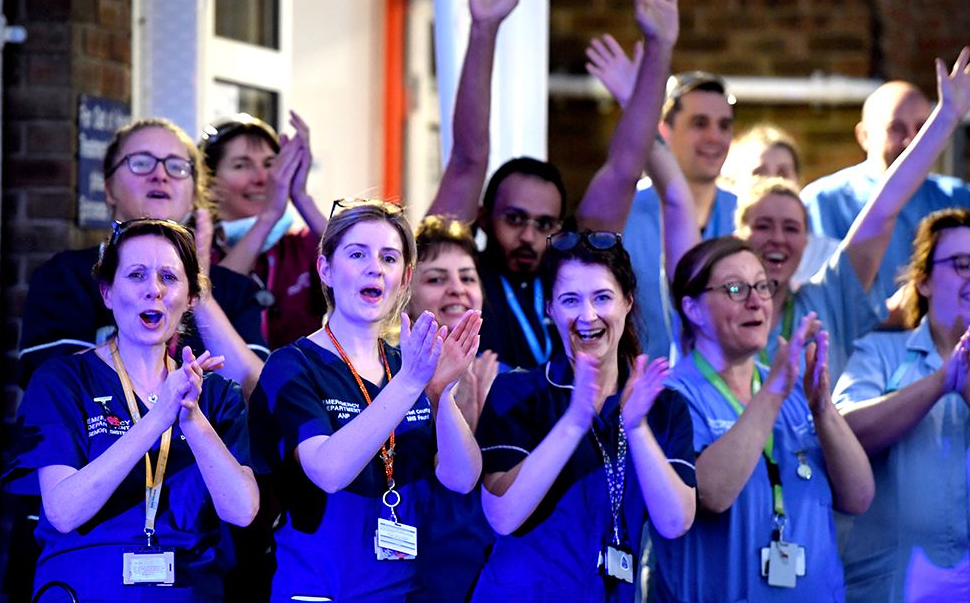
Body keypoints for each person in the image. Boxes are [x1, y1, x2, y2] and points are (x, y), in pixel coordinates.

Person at [651, 48, 970, 381]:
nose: (778, 238)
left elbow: (884, 210)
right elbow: (674, 203)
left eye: (791, 228)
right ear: (736, 237)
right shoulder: (709, 300)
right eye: (762, 225)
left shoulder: (827, 298)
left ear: (806, 242)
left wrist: (947, 116)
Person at [428, 0, 677, 369]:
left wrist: (660, 47)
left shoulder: (571, 273)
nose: (529, 235)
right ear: (486, 217)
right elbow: (468, 158)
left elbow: (626, 167)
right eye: (515, 219)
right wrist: (484, 30)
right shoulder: (462, 274)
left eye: (545, 224)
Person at [2, 218, 259, 602]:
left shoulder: (217, 395)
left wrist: (191, 417)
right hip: (84, 588)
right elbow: (63, 511)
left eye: (169, 278)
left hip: (188, 589)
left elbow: (241, 511)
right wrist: (159, 417)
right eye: (136, 275)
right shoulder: (63, 380)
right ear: (107, 291)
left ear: (191, 297)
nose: (153, 290)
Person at [249, 199, 483, 602]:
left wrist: (440, 392)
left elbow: (461, 478)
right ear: (325, 268)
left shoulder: (406, 365)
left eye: (389, 258)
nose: (375, 267)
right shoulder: (293, 366)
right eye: (357, 254)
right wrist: (412, 383)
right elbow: (329, 471)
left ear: (404, 277)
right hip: (318, 589)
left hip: (404, 591)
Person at [473, 225, 696, 601]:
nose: (588, 315)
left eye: (602, 298)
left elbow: (675, 522)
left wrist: (637, 428)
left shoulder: (662, 404)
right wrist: (574, 421)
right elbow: (503, 515)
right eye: (571, 300)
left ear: (627, 300)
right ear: (550, 308)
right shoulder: (518, 391)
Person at [650, 236, 873, 601]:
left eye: (762, 285)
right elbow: (711, 494)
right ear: (692, 309)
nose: (756, 301)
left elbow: (859, 497)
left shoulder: (794, 390)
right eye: (735, 288)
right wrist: (771, 396)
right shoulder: (669, 396)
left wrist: (823, 410)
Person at [20, 117, 268, 398]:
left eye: (177, 167)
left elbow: (257, 397)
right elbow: (53, 384)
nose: (160, 175)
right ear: (109, 188)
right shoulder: (65, 276)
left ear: (193, 197)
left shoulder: (235, 290)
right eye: (140, 162)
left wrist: (200, 292)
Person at [834, 210, 970, 598]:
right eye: (962, 264)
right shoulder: (880, 351)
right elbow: (845, 434)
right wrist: (942, 382)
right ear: (923, 281)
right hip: (890, 586)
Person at [587, 45, 739, 360]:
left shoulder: (745, 213)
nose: (715, 137)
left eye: (724, 125)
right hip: (634, 393)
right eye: (699, 123)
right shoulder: (625, 211)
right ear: (663, 130)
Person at [801, 68, 970, 303]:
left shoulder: (957, 198)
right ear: (864, 135)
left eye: (922, 128)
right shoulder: (821, 202)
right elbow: (817, 295)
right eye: (896, 128)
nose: (911, 140)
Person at [405, 214, 499, 602]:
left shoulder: (506, 380)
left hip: (488, 575)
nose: (457, 290)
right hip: (411, 572)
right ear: (405, 294)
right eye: (436, 279)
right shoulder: (387, 379)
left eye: (467, 277)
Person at [201, 111, 328, 349]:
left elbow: (355, 260)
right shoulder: (194, 249)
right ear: (208, 181)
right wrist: (268, 217)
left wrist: (300, 196)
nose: (262, 178)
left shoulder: (299, 246)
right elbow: (214, 300)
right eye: (241, 165)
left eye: (270, 164)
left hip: (301, 385)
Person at [720, 123, 839, 284]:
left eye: (783, 173)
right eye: (759, 173)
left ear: (798, 181)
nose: (772, 180)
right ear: (735, 182)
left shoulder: (829, 258)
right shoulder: (717, 253)